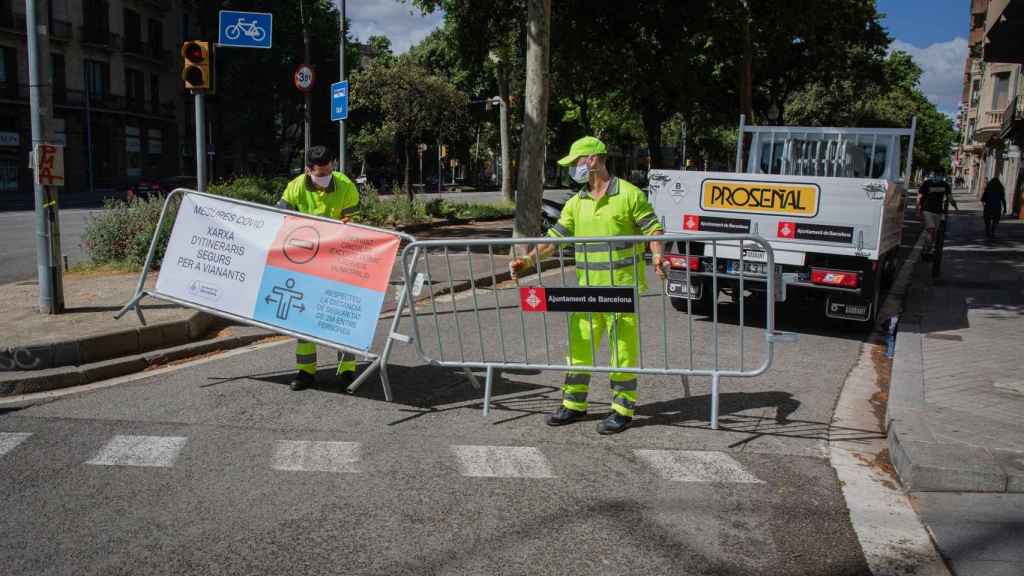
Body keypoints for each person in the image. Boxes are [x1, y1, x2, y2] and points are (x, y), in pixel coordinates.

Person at [509, 136, 666, 435]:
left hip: (621, 290)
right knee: (579, 347)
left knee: (622, 352)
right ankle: (574, 404)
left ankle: (622, 409)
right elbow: (555, 239)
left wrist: (658, 256)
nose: (573, 168)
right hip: (586, 291)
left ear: (592, 160)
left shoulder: (630, 195)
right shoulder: (576, 202)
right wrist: (527, 261)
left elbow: (652, 229)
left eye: (575, 162)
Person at [276, 145, 360, 391]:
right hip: (306, 261)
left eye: (328, 171)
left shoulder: (345, 185)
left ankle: (346, 371)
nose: (325, 176)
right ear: (308, 170)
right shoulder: (296, 186)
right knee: (304, 317)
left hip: (338, 261)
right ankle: (305, 372)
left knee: (340, 315)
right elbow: (281, 217)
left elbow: (354, 224)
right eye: (320, 173)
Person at [917, 171, 957, 257]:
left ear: (942, 176)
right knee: (930, 229)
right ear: (933, 175)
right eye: (936, 175)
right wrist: (918, 208)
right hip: (927, 210)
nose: (937, 177)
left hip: (938, 211)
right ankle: (926, 249)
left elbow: (950, 198)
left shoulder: (945, 185)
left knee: (934, 233)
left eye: (939, 175)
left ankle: (927, 247)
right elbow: (920, 196)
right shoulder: (927, 183)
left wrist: (955, 206)